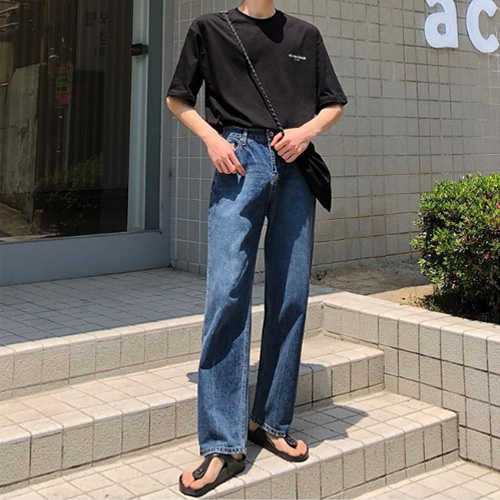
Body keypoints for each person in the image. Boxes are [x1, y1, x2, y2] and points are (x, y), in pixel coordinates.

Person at [165, 0, 348, 496]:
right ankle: (222, 442)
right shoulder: (210, 28)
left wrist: (305, 134)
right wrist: (213, 139)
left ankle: (269, 420)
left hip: (295, 167)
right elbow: (178, 98)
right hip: (238, 161)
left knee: (290, 296)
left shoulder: (305, 35)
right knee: (227, 294)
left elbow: (333, 102)